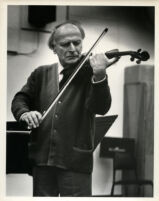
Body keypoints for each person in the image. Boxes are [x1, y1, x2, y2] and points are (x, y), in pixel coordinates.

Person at [11, 20, 119, 197]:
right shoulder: (41, 73)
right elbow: (20, 99)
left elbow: (101, 107)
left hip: (75, 162)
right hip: (42, 161)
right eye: (65, 44)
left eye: (77, 43)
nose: (73, 48)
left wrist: (100, 75)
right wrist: (25, 113)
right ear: (54, 47)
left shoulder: (90, 73)